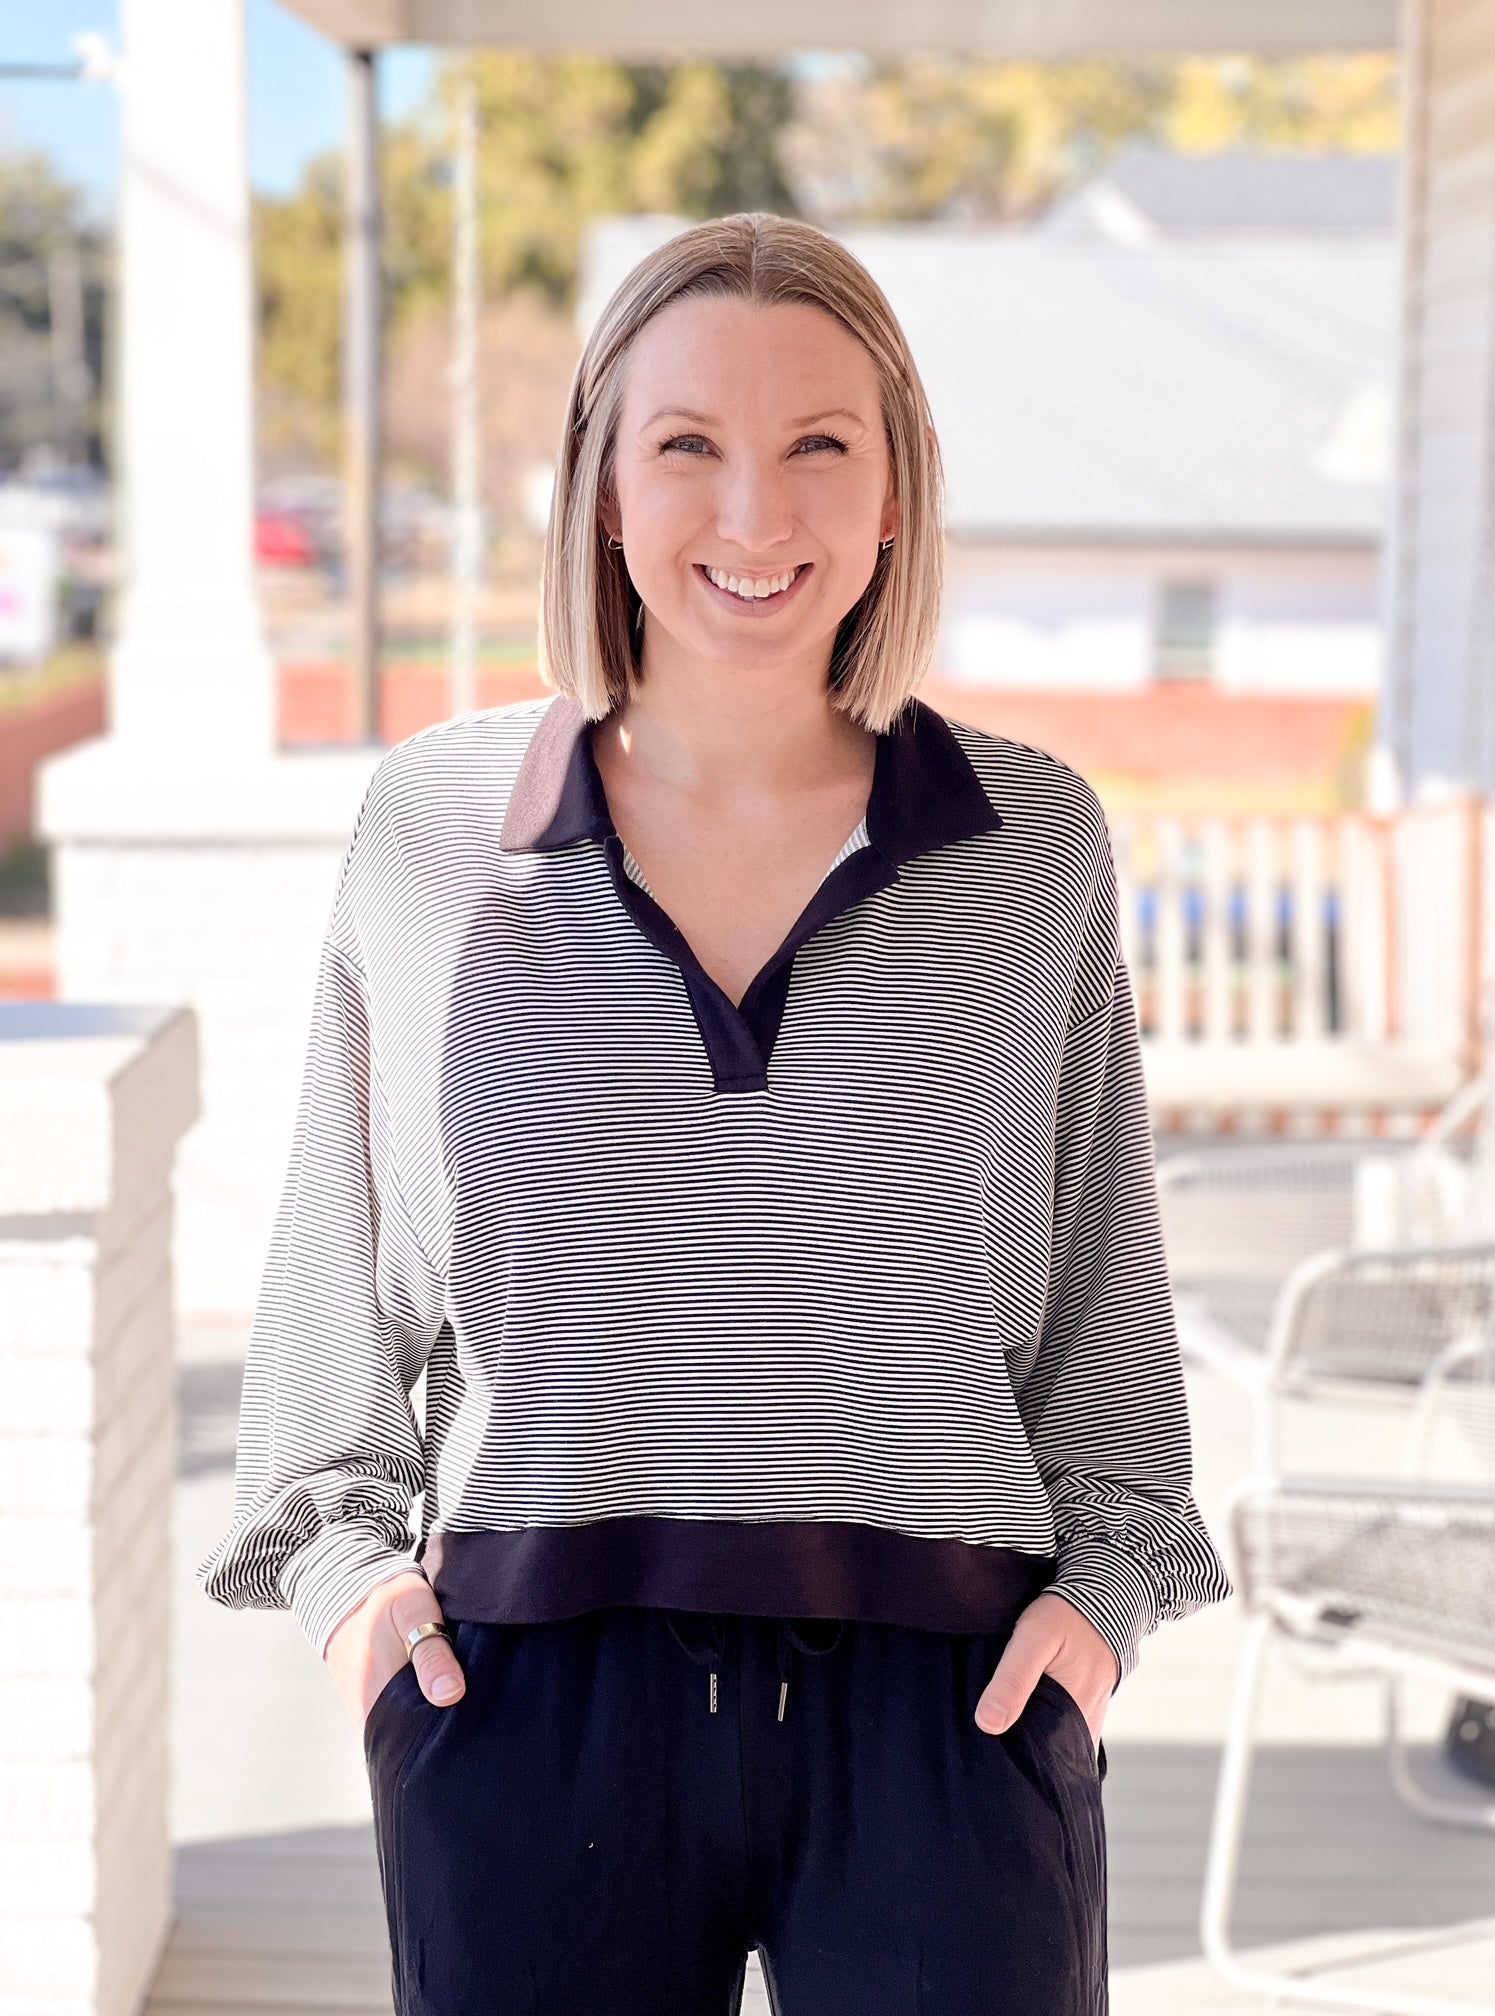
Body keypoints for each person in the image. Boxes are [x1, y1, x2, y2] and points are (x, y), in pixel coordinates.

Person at [197, 211, 1232, 2016]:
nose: (754, 517)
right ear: (601, 483)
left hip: (952, 1696)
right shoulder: (437, 829)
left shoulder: (1033, 844)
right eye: (687, 445)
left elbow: (1099, 1288)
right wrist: (360, 1594)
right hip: (525, 1699)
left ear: (897, 486)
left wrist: (1100, 1618)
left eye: (818, 445)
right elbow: (334, 1268)